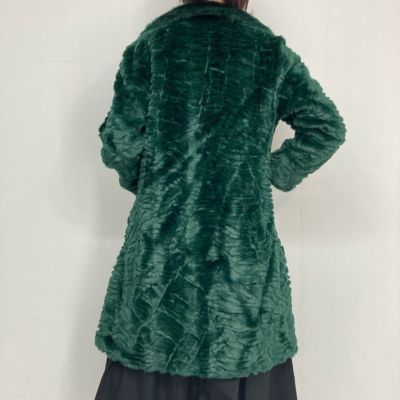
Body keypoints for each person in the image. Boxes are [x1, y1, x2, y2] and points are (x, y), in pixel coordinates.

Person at [94, 0, 346, 399]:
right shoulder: (269, 51)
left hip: (160, 256)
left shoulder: (154, 45)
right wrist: (269, 172)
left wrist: (151, 183)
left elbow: (119, 142)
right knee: (241, 353)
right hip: (240, 256)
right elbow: (326, 127)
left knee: (148, 351)